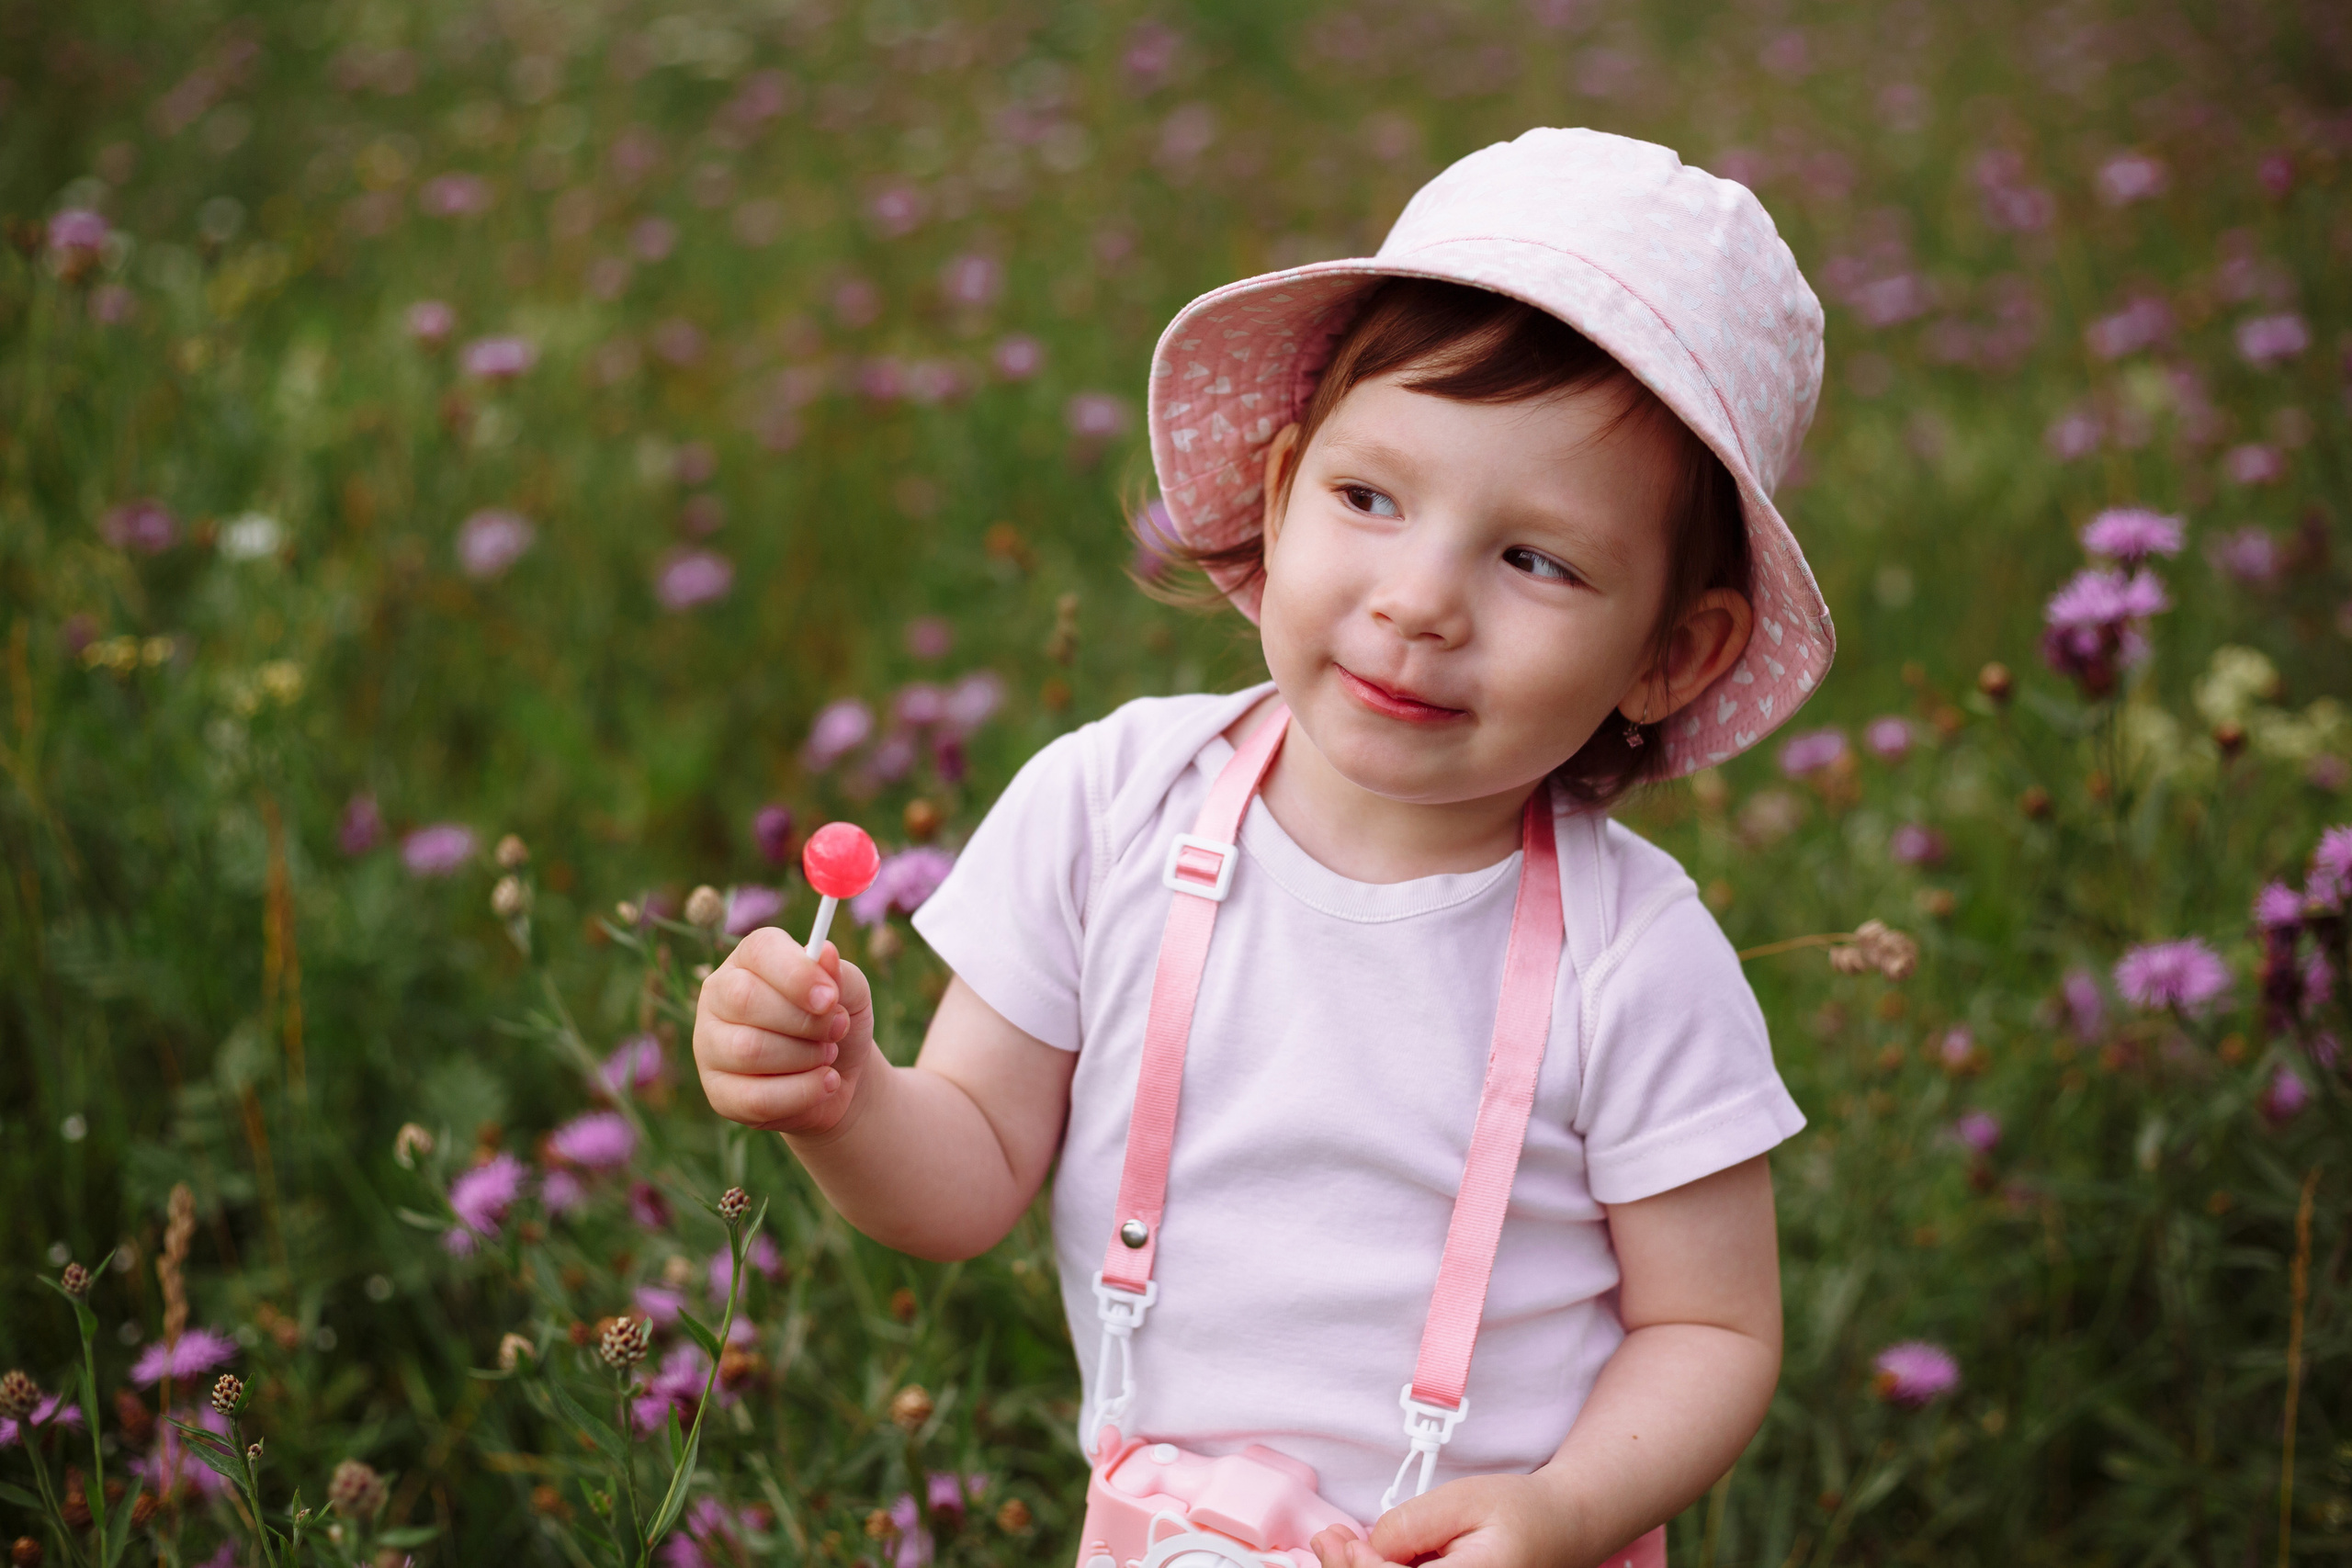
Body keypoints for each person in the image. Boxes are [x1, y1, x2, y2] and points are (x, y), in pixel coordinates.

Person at [695, 127, 1835, 1568]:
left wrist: (1564, 1512)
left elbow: (1712, 1327)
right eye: (1371, 499)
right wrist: (842, 1099)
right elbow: (972, 1167)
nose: (1420, 599)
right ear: (1282, 488)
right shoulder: (1110, 806)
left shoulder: (1637, 953)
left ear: (1674, 652)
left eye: (1535, 559)